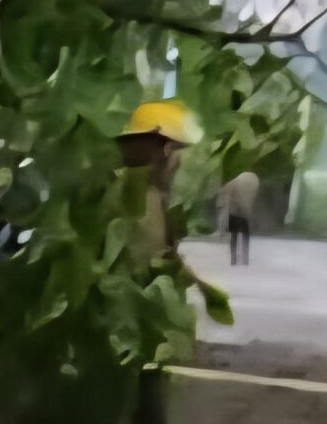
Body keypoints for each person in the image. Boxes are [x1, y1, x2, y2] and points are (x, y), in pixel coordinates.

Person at [115, 99, 202, 424]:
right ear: (163, 148)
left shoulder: (152, 194)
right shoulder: (128, 195)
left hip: (142, 340)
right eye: (180, 150)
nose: (181, 162)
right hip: (124, 338)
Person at [218, 168, 261, 266]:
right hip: (245, 215)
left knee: (234, 237)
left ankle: (233, 260)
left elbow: (225, 195)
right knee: (246, 236)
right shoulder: (249, 183)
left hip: (234, 214)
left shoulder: (232, 183)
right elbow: (253, 199)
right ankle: (245, 259)